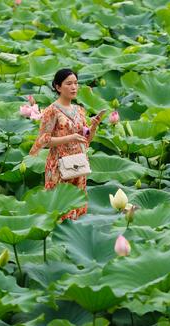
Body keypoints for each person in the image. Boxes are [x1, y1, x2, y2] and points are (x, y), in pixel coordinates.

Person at [29, 68, 106, 220]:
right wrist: (70, 138)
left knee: (77, 209)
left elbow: (86, 139)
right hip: (58, 166)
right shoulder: (51, 110)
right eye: (69, 83)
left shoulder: (80, 110)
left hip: (78, 164)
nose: (73, 87)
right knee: (60, 210)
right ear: (58, 87)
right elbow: (44, 140)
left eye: (76, 83)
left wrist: (94, 126)